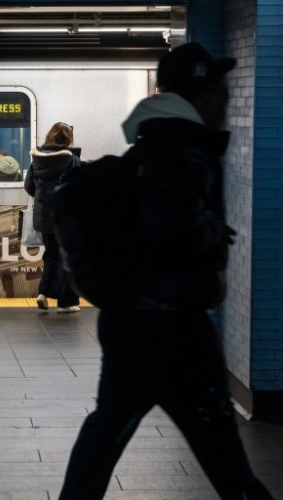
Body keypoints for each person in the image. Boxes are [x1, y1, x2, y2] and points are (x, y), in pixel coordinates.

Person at [58, 42, 273, 500]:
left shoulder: (152, 145)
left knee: (107, 433)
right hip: (173, 327)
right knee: (219, 446)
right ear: (202, 95)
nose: (227, 101)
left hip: (132, 320)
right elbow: (167, 227)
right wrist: (210, 229)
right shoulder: (184, 151)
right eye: (220, 91)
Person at [25, 122, 81, 313]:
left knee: (50, 256)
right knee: (66, 257)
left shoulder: (36, 160)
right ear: (68, 140)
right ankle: (66, 303)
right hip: (65, 217)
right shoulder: (72, 160)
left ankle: (43, 293)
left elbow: (29, 187)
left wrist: (43, 198)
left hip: (44, 218)